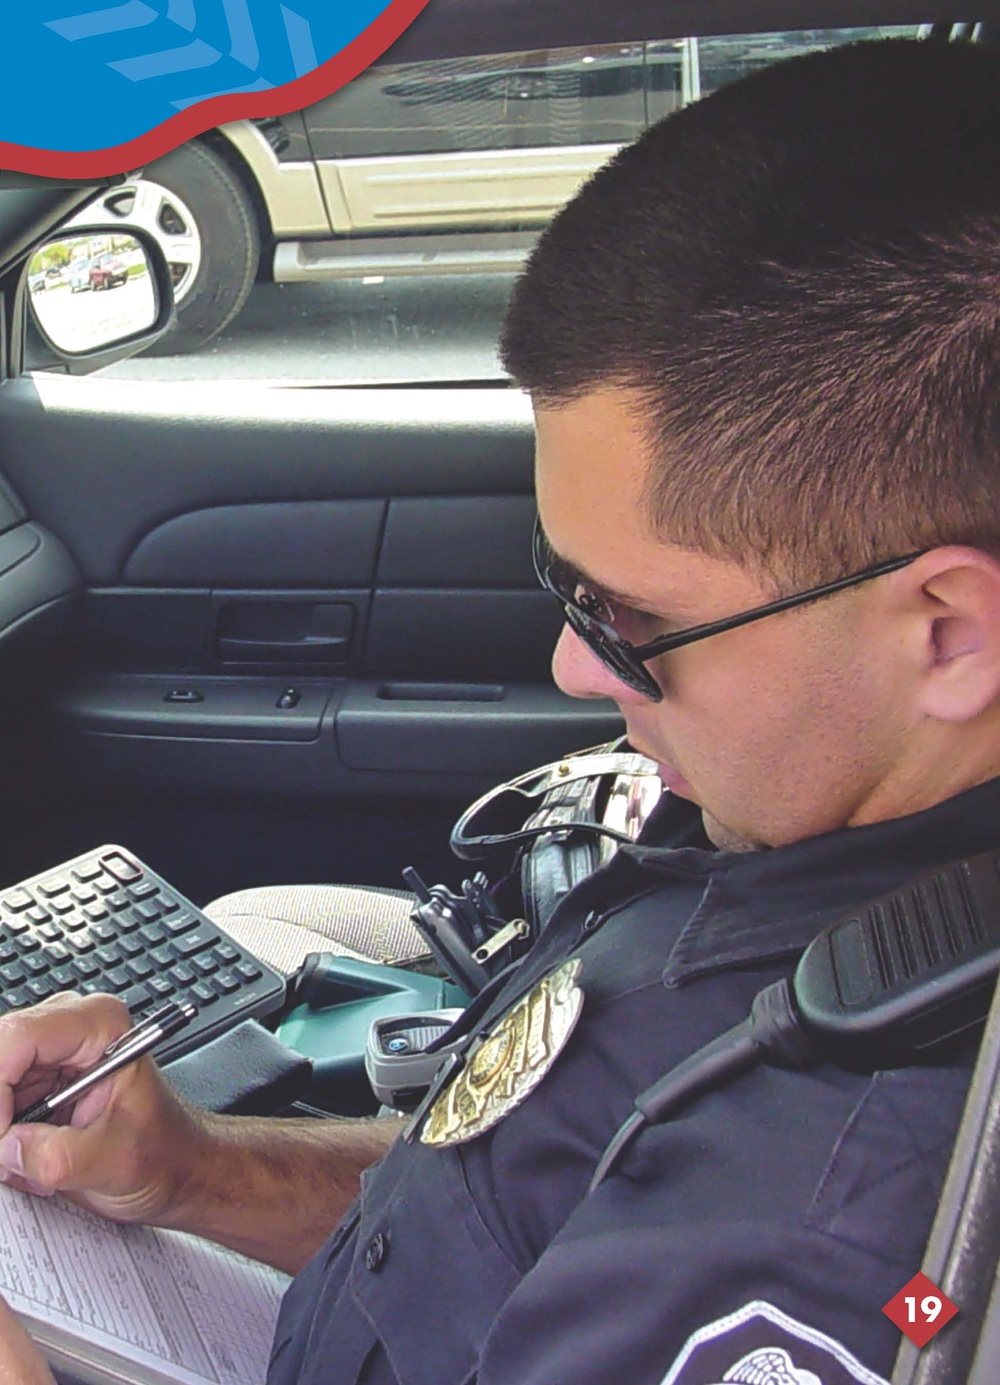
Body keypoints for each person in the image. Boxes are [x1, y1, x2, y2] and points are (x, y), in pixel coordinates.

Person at [0, 34, 998, 1385]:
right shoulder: (812, 842)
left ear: (948, 633)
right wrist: (195, 1170)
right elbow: (525, 1202)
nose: (574, 666)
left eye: (630, 619)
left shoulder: (828, 1235)